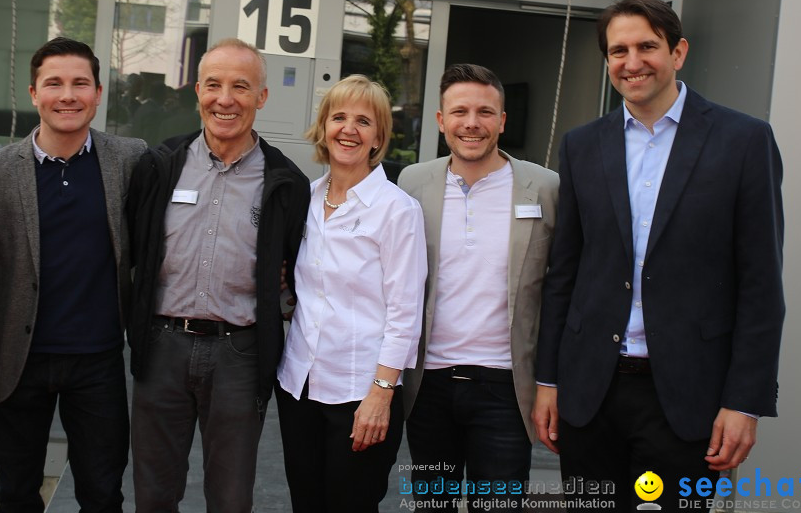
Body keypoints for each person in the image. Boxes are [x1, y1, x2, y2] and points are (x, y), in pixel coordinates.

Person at [532, 0, 785, 508]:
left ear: (678, 52)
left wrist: (745, 403)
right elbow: (566, 271)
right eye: (618, 51)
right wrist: (549, 379)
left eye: (647, 46)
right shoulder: (582, 144)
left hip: (687, 398)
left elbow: (761, 284)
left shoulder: (743, 140)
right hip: (591, 393)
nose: (632, 62)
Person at [0, 38, 146, 512]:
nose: (68, 95)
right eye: (54, 84)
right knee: (16, 494)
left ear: (98, 93)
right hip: (16, 361)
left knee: (102, 494)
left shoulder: (130, 160)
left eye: (80, 83)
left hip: (99, 358)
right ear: (33, 93)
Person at [126, 38, 310, 513]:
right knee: (152, 494)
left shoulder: (285, 182)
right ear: (197, 91)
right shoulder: (160, 165)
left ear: (262, 98)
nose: (224, 99)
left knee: (230, 499)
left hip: (240, 354)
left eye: (240, 87)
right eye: (213, 85)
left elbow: (296, 267)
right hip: (162, 346)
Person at [398, 63, 558, 509]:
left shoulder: (544, 188)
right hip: (427, 385)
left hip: (506, 388)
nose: (472, 123)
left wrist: (552, 383)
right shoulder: (412, 183)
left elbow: (559, 289)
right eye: (460, 112)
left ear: (502, 120)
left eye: (485, 112)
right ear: (440, 121)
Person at [276, 74, 427, 513]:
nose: (349, 129)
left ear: (379, 136)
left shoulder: (397, 210)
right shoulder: (304, 198)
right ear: (323, 127)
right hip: (299, 386)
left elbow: (405, 314)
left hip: (359, 395)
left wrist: (380, 396)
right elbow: (301, 288)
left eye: (364, 121)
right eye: (338, 117)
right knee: (306, 503)